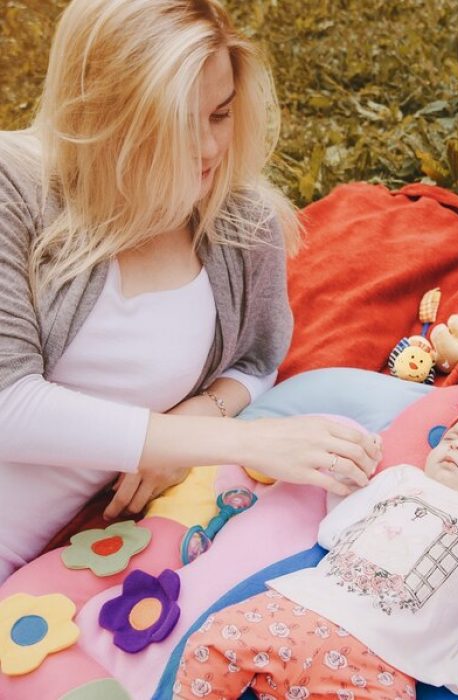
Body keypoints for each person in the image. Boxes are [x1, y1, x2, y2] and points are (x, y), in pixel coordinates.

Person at [0, 0, 380, 585]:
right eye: (179, 123)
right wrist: (224, 439)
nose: (208, 148)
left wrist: (197, 417)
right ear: (103, 114)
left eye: (221, 114)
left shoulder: (238, 223)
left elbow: (257, 360)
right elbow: (8, 405)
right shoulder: (13, 186)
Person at [173, 401, 458, 699]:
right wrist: (347, 476)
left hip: (382, 662)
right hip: (300, 610)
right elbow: (337, 529)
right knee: (214, 641)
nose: (457, 448)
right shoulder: (402, 479)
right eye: (451, 438)